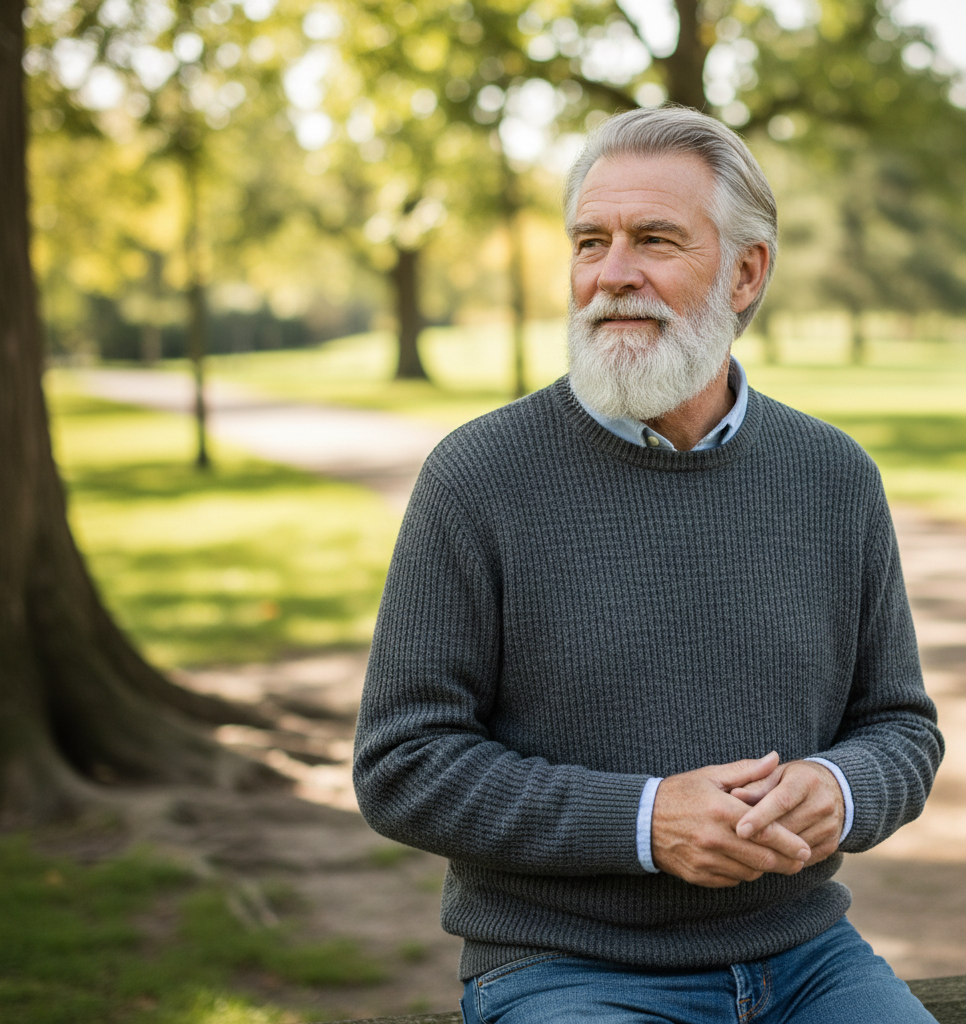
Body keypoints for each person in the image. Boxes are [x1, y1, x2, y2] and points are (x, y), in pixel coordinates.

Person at [353, 106, 944, 1023]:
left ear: (747, 272)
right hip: (568, 968)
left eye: (655, 239)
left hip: (808, 958)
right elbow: (403, 762)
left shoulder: (836, 478)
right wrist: (644, 823)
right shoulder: (477, 479)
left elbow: (901, 727)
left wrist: (841, 789)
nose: (613, 274)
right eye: (591, 241)